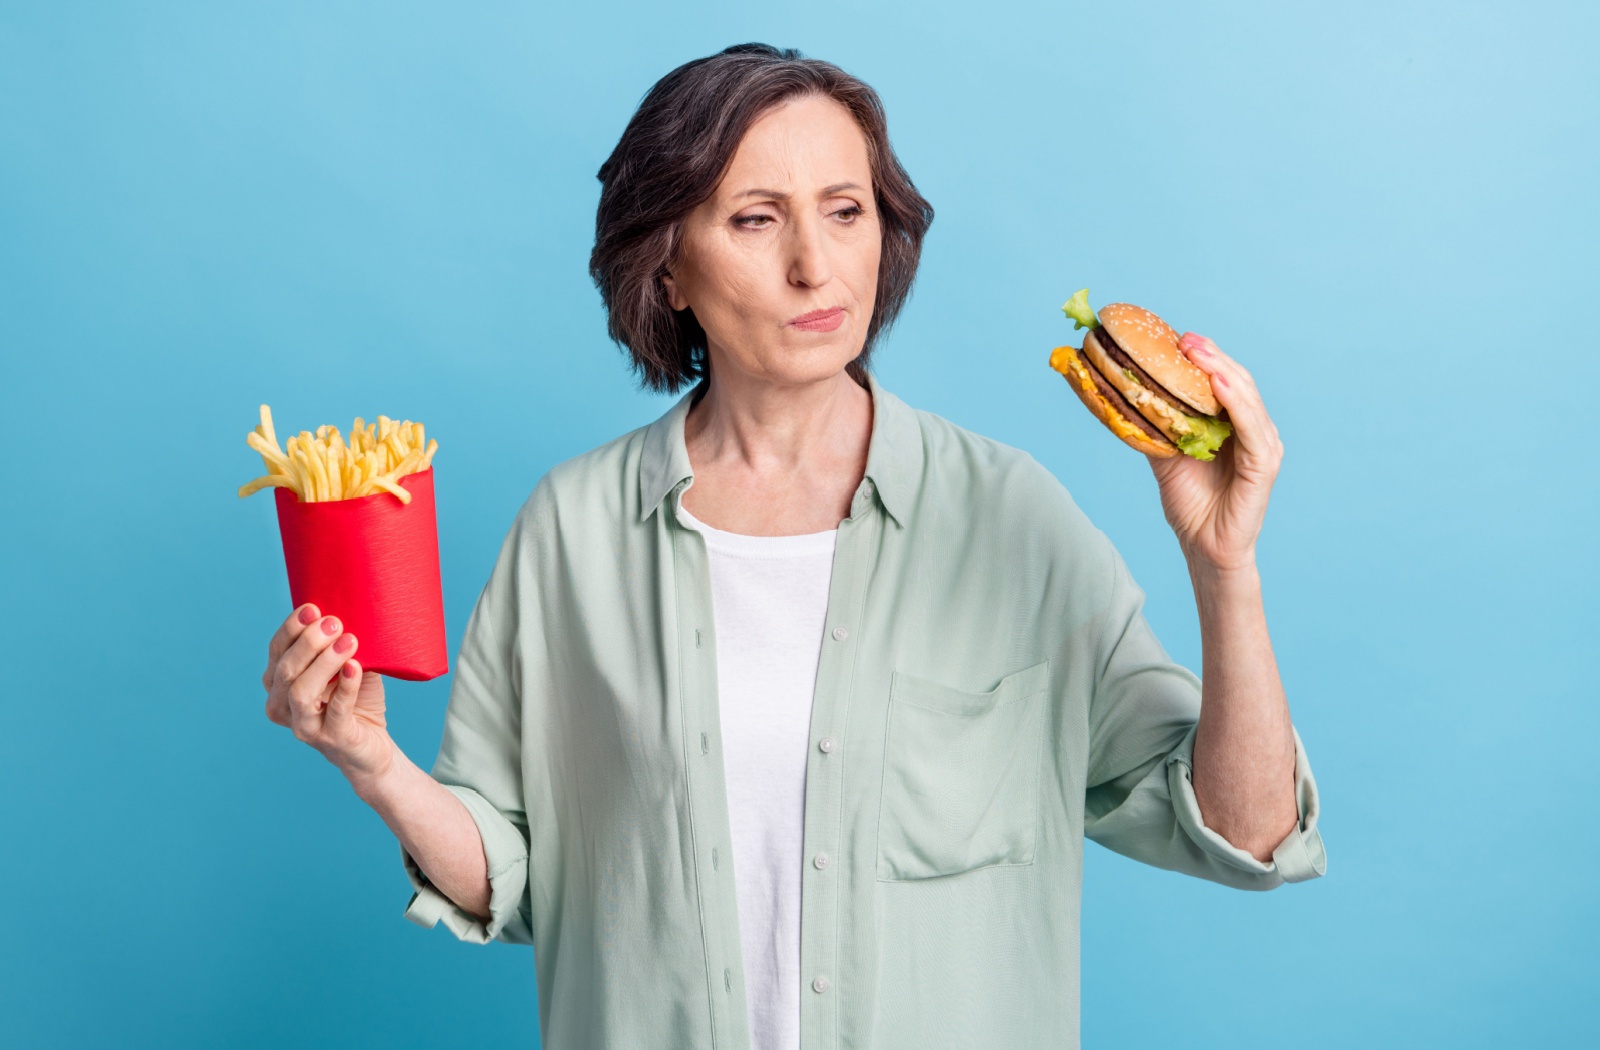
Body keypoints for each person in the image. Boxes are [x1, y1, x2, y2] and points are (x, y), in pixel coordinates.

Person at [262, 42, 1324, 1050]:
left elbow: (1247, 830)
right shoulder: (572, 530)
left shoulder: (1014, 518)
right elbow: (518, 877)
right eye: (757, 219)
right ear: (667, 268)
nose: (816, 266)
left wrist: (1221, 569)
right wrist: (373, 761)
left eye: (846, 211)